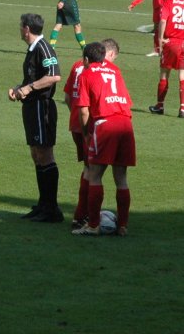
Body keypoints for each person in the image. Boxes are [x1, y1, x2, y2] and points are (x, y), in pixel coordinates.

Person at [71, 42, 134, 237]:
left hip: (105, 124)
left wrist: (87, 133)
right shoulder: (115, 70)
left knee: (94, 174)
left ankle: (93, 225)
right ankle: (122, 226)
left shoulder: (86, 73)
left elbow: (83, 110)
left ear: (87, 60)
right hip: (125, 123)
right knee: (121, 178)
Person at [8, 13, 63, 223]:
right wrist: (18, 89)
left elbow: (53, 76)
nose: (20, 30)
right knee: (36, 154)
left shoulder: (44, 48)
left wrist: (29, 88)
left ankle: (52, 209)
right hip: (32, 107)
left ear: (27, 29)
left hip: (43, 107)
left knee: (45, 154)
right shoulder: (33, 49)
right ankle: (43, 204)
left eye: (21, 26)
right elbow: (32, 77)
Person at [68, 38, 120, 229]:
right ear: (107, 54)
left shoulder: (76, 66)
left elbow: (67, 96)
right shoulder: (105, 72)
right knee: (92, 171)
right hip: (92, 125)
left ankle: (81, 215)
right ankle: (82, 217)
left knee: (87, 169)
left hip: (76, 122)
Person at [149, 0, 184, 118]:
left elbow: (163, 21)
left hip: (172, 43)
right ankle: (182, 109)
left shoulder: (169, 3)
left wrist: (160, 39)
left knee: (164, 74)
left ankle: (160, 105)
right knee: (183, 76)